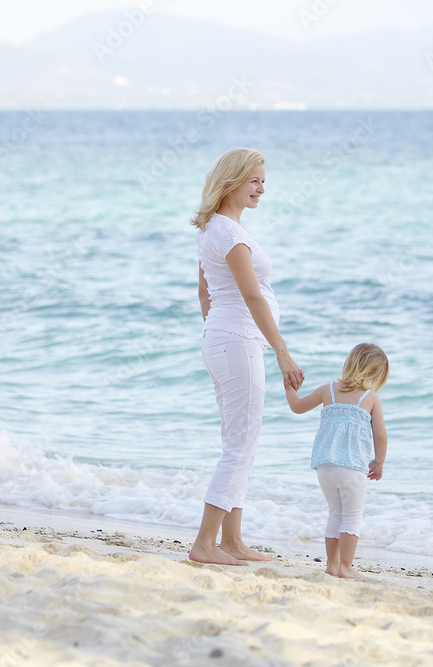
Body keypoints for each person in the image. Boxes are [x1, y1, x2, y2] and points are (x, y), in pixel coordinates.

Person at [188, 148, 304, 567]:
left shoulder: (212, 228)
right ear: (232, 181)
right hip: (236, 341)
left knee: (238, 441)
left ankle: (232, 541)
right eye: (254, 180)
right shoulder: (231, 235)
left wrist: (214, 332)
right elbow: (252, 295)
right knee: (240, 444)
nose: (261, 188)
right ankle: (205, 543)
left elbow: (205, 292)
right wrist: (283, 353)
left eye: (263, 181)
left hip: (225, 339)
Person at [284, 343, 389, 579]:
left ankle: (331, 565)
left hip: (325, 468)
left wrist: (289, 386)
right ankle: (346, 567)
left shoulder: (327, 391)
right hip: (352, 469)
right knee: (352, 516)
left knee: (334, 514)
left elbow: (297, 407)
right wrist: (379, 461)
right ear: (376, 375)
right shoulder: (371, 398)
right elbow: (380, 434)